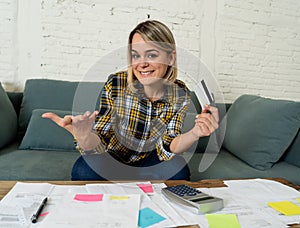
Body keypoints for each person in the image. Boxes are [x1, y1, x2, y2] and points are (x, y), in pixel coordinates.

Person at [42, 20, 219, 181]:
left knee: (179, 171)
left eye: (151, 55)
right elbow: (101, 140)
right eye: (136, 55)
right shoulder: (116, 84)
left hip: (150, 159)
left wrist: (195, 132)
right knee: (83, 171)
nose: (142, 64)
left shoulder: (181, 93)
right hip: (113, 157)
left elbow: (169, 142)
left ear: (170, 58)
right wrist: (84, 136)